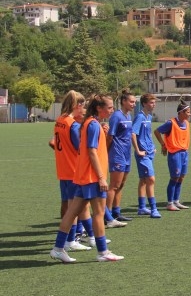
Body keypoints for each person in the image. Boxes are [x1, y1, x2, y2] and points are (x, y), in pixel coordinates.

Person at [50, 94, 124, 262]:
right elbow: (91, 151)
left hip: (82, 176)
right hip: (91, 177)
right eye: (110, 107)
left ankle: (58, 248)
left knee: (71, 213)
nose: (112, 110)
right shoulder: (92, 125)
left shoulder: (88, 123)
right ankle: (103, 252)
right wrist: (101, 177)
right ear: (99, 108)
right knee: (98, 214)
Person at [49, 90, 92, 252]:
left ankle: (76, 238)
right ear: (76, 105)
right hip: (74, 170)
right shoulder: (72, 124)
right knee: (76, 207)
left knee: (69, 205)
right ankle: (73, 239)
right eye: (82, 105)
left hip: (63, 169)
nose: (84, 109)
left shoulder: (60, 120)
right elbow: (80, 148)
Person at [105, 89, 136, 227]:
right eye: (131, 101)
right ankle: (107, 215)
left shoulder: (128, 116)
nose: (133, 104)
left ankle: (116, 212)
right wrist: (106, 152)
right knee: (114, 186)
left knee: (121, 185)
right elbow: (110, 136)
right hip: (117, 154)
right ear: (123, 101)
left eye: (135, 102)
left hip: (126, 154)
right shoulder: (116, 116)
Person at [154, 100, 191, 211]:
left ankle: (176, 201)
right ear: (181, 112)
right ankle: (170, 203)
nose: (189, 114)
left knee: (181, 177)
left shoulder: (187, 123)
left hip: (184, 153)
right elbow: (157, 131)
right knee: (174, 177)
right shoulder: (171, 123)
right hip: (175, 153)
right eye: (188, 112)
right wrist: (163, 144)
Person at [132, 93, 161, 218]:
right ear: (144, 103)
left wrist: (153, 146)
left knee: (144, 180)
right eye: (151, 102)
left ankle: (142, 207)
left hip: (149, 152)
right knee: (151, 179)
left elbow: (147, 134)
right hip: (143, 154)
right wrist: (138, 150)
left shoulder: (148, 116)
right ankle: (154, 209)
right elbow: (133, 133)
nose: (154, 105)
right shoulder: (140, 117)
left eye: (154, 102)